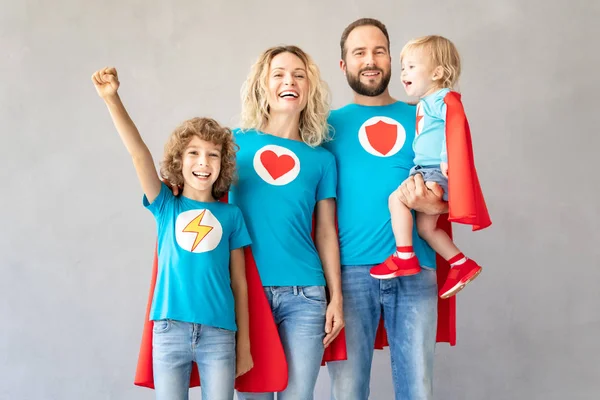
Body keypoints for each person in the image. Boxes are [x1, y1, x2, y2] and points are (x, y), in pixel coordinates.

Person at [91, 67, 253, 400]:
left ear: (223, 164)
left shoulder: (231, 215)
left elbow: (239, 282)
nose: (203, 162)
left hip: (220, 333)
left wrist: (245, 345)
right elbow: (139, 154)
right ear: (179, 161)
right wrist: (112, 99)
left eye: (213, 155)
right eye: (194, 153)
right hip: (168, 331)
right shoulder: (166, 206)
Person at [324, 19, 446, 400]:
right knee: (347, 390)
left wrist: (436, 202)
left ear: (392, 60)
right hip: (349, 274)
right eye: (359, 53)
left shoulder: (424, 115)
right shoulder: (325, 127)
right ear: (344, 65)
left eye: (378, 51)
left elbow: (452, 184)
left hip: (414, 269)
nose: (370, 60)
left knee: (418, 388)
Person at [232, 45, 344, 400]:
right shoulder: (233, 144)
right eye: (278, 73)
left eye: (299, 74)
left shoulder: (321, 160)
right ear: (262, 85)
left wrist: (336, 298)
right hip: (248, 294)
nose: (289, 81)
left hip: (306, 296)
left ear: (309, 87)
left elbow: (326, 231)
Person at [369, 35, 491, 300]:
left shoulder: (443, 98)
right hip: (426, 169)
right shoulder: (426, 102)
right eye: (403, 68)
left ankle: (404, 255)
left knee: (396, 199)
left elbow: (454, 126)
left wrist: (449, 157)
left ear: (436, 72)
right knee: (426, 229)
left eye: (411, 67)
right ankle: (460, 263)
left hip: (433, 169)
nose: (404, 73)